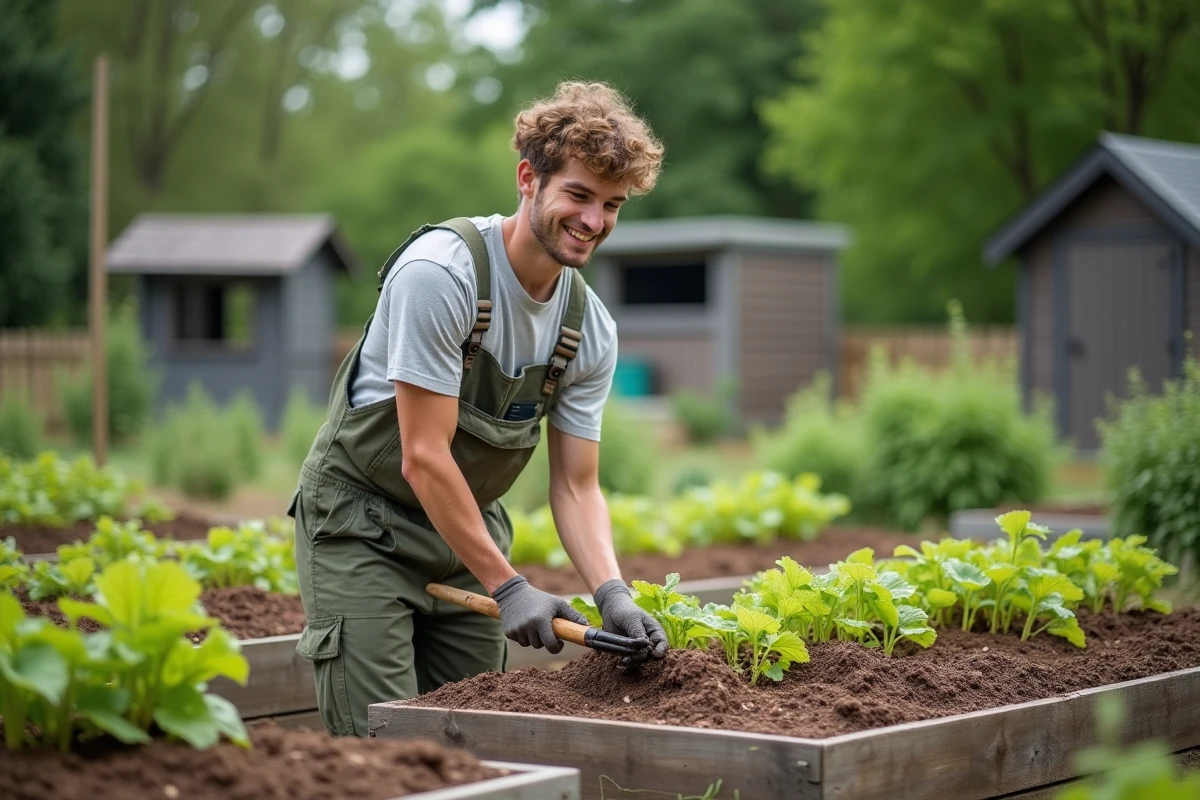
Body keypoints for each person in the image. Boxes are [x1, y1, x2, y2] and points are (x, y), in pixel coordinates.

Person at [287, 81, 670, 737]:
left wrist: (613, 593)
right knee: (387, 742)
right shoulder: (442, 275)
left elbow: (577, 486)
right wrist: (511, 586)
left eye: (612, 205)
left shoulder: (588, 328)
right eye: (579, 195)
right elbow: (423, 455)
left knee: (473, 742)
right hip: (363, 527)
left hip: (466, 538)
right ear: (528, 179)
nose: (594, 221)